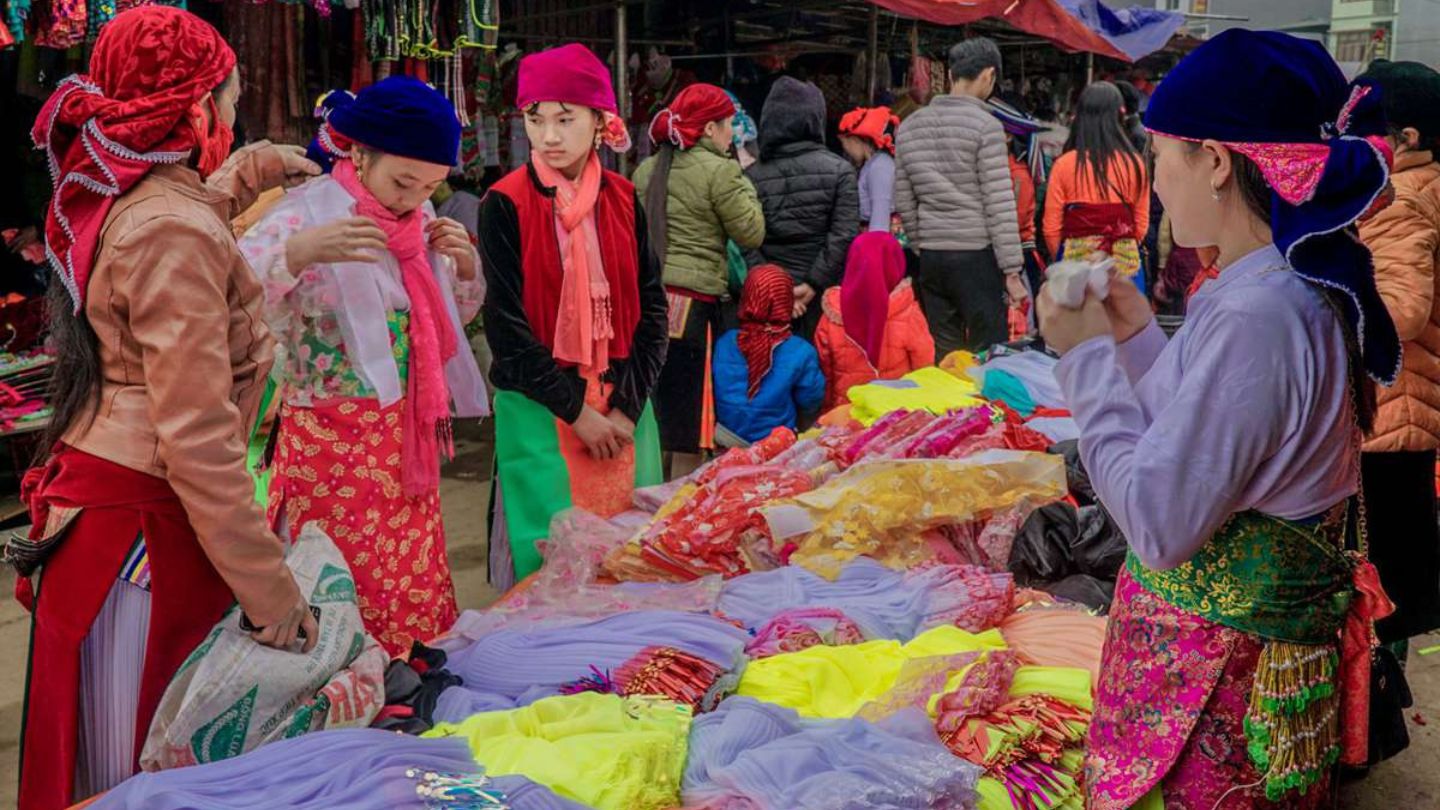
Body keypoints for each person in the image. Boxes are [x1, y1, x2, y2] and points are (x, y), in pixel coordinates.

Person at [1036, 29, 1400, 808]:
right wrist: (1133, 335)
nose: (1157, 181)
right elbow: (1190, 431)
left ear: (1215, 160)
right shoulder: (1261, 286)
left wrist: (1086, 360)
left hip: (1213, 685)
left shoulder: (1262, 310)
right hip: (1214, 665)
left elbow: (1160, 523)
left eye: (1163, 154)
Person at [18, 8, 322, 807]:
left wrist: (243, 173)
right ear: (195, 109)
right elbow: (196, 439)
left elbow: (170, 229)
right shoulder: (169, 231)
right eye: (230, 91)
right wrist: (272, 593)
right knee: (139, 770)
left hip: (110, 500)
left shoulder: (130, 196)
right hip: (146, 526)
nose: (237, 104)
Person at [238, 76, 490, 658]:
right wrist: (295, 255)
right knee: (340, 577)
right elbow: (228, 296)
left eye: (429, 185)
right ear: (359, 152)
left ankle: (412, 676)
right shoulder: (301, 215)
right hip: (327, 445)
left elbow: (453, 318)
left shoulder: (421, 224)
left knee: (407, 572)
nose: (413, 197)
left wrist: (465, 266)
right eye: (404, 180)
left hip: (404, 442)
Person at [480, 43, 668, 586]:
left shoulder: (625, 199)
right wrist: (577, 415)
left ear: (600, 122)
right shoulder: (504, 202)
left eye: (565, 120)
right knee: (549, 576)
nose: (549, 137)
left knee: (627, 567)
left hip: (623, 411)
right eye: (536, 120)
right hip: (543, 413)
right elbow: (506, 329)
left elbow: (651, 310)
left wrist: (625, 412)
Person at [633, 83, 765, 475]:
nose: (731, 134)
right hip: (694, 305)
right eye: (728, 126)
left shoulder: (646, 169)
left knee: (656, 401)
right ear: (709, 130)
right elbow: (751, 232)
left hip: (651, 298)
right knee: (691, 410)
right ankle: (678, 496)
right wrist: (742, 178)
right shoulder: (720, 171)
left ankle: (649, 487)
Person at [1356, 59, 1440, 652]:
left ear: (1405, 138)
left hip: (1392, 408)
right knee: (1396, 565)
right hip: (1410, 406)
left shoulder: (1401, 199)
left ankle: (1377, 714)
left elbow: (1402, 312)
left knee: (1380, 578)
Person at [894, 37, 1027, 357]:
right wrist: (1011, 270)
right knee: (988, 353)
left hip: (933, 258)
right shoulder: (987, 127)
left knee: (946, 352)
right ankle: (985, 409)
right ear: (988, 76)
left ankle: (950, 407)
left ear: (952, 75)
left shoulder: (910, 126)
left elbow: (904, 199)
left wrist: (921, 243)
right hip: (976, 257)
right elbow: (998, 202)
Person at [745, 76, 859, 339]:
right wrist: (812, 284)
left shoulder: (750, 176)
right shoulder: (840, 171)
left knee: (769, 369)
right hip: (822, 296)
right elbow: (843, 235)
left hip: (766, 297)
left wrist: (775, 288)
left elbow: (744, 241)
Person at [1042, 82, 1151, 292]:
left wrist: (1067, 256)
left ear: (1079, 117)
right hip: (1124, 266)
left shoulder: (1064, 165)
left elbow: (1051, 228)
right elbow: (1140, 224)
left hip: (1076, 269)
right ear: (1119, 115)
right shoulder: (1134, 164)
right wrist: (1119, 247)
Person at [814, 232, 933, 410]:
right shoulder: (907, 312)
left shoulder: (832, 313)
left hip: (849, 411)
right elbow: (924, 370)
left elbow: (826, 373)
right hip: (896, 411)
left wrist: (829, 410)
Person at [713, 264, 826, 443]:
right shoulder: (801, 351)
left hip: (725, 439)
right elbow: (811, 401)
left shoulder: (724, 343)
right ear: (786, 301)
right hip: (776, 445)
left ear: (746, 298)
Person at [838, 106, 900, 233]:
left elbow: (880, 216)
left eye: (844, 142)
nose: (845, 149)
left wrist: (874, 250)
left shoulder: (879, 166)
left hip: (876, 241)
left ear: (855, 139)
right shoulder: (874, 164)